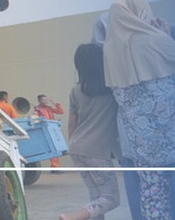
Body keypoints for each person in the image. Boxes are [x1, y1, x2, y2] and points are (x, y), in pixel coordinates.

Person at [103, 0, 175, 220]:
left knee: (154, 199)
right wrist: (165, 36)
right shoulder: (153, 38)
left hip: (144, 144)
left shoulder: (109, 49)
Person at [59, 44, 121, 220]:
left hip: (77, 148)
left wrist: (73, 146)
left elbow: (72, 123)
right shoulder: (112, 90)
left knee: (96, 196)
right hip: (97, 152)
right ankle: (72, 217)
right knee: (111, 198)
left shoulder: (76, 90)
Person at [34, 94, 65, 169]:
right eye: (43, 100)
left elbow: (61, 112)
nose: (45, 101)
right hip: (45, 130)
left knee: (55, 147)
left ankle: (55, 166)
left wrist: (57, 105)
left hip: (53, 129)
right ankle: (55, 166)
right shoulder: (37, 109)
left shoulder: (49, 108)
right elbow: (35, 119)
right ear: (39, 101)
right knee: (53, 148)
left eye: (46, 99)